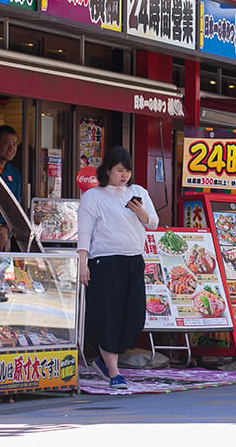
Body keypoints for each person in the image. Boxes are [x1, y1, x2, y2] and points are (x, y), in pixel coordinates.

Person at [77, 146, 157, 390]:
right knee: (109, 317)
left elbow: (153, 223)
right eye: (120, 170)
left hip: (134, 260)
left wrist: (139, 210)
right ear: (107, 170)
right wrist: (83, 263)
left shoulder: (138, 192)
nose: (124, 176)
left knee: (133, 316)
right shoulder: (94, 196)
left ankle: (103, 361)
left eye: (127, 171)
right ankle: (114, 372)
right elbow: (85, 232)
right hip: (105, 261)